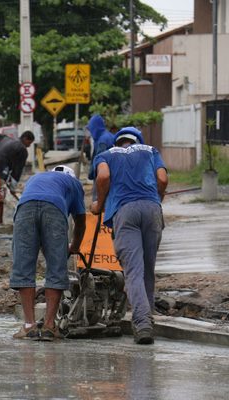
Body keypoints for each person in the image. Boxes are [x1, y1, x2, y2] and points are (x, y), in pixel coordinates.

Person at [90, 126, 168, 345]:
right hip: (152, 210)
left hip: (125, 212)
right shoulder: (150, 150)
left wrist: (100, 203)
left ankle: (142, 324)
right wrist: (157, 198)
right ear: (137, 141)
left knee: (133, 271)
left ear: (118, 142)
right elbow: (162, 179)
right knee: (147, 270)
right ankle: (147, 316)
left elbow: (103, 176)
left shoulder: (105, 155)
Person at [10, 165, 86, 341]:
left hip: (24, 210)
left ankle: (29, 325)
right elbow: (80, 222)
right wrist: (74, 247)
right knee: (57, 268)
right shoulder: (74, 183)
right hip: (54, 209)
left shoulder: (36, 177)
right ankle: (49, 327)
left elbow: (36, 204)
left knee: (24, 265)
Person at [0, 130, 34, 227]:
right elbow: (17, 171)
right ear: (25, 139)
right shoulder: (22, 150)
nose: (29, 146)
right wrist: (13, 188)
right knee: (0, 198)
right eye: (29, 143)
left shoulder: (5, 138)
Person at [86, 114, 115, 199]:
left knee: (98, 200)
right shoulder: (109, 136)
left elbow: (99, 160)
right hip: (113, 174)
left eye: (91, 129)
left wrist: (91, 173)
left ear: (95, 127)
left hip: (103, 176)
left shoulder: (102, 141)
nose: (90, 132)